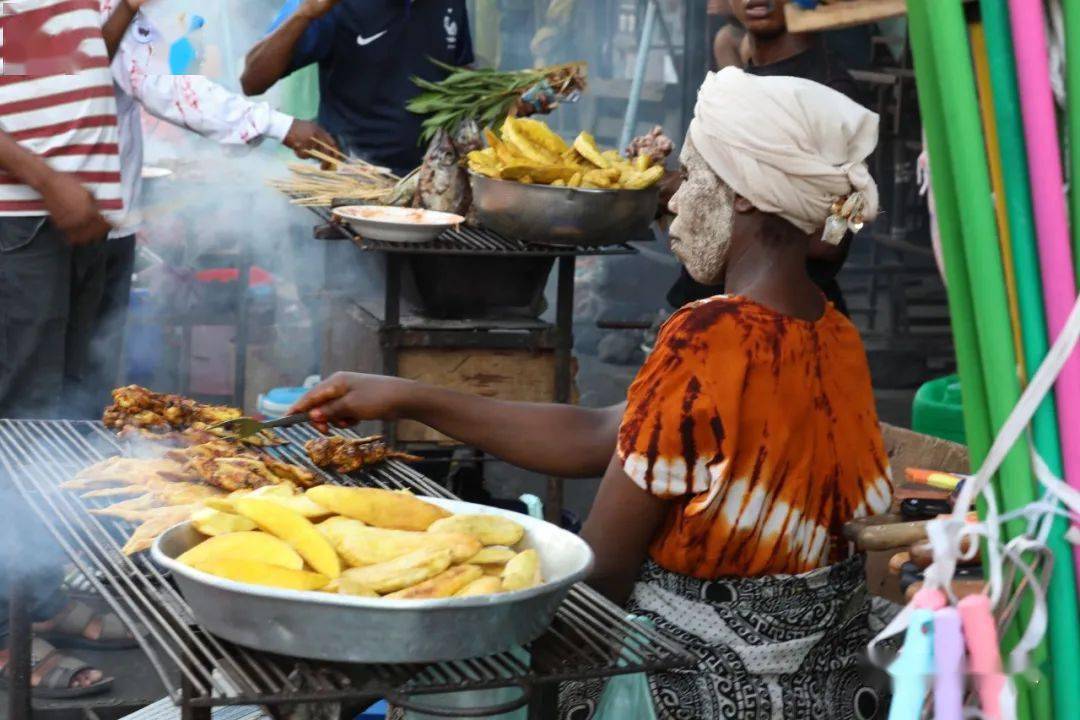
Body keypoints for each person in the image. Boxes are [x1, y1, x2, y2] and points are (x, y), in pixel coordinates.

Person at [291, 67, 893, 718]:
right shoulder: (833, 334)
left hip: (693, 690)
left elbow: (603, 569)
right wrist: (410, 396)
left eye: (693, 174)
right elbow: (612, 434)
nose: (675, 197)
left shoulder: (708, 334)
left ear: (744, 196)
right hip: (824, 691)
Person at [77, 0, 338, 416]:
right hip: (51, 221)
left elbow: (159, 79)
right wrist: (278, 126)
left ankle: (69, 465)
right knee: (39, 379)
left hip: (109, 218)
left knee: (86, 378)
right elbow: (162, 85)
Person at [0, 0, 151, 697]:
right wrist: (45, 177)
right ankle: (6, 640)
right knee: (17, 430)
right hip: (22, 220)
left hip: (86, 219)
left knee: (64, 426)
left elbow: (76, 63)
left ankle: (40, 598)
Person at [668, 0, 863, 314]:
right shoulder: (740, 73)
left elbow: (842, 226)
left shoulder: (830, 93)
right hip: (708, 309)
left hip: (782, 319)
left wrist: (825, 232)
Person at [240, 0, 474, 175]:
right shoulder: (336, 6)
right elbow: (252, 80)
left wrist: (498, 97)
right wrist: (304, 14)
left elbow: (459, 69)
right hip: (352, 178)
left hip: (432, 178)